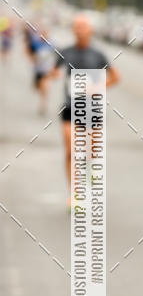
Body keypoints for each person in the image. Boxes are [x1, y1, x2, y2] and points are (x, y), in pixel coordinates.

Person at [48, 14, 120, 207]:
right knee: (71, 150)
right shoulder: (65, 52)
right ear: (73, 30)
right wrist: (54, 74)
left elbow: (115, 77)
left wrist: (97, 88)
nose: (80, 30)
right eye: (77, 27)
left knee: (92, 153)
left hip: (92, 110)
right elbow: (53, 71)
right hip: (70, 107)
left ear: (90, 31)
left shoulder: (98, 55)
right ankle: (74, 194)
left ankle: (87, 174)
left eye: (84, 27)